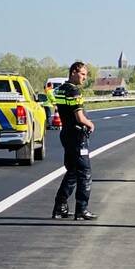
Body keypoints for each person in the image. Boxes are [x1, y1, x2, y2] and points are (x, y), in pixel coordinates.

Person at [52, 62, 97, 220]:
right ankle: (81, 210)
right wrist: (90, 123)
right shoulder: (74, 91)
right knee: (85, 173)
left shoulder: (61, 90)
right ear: (73, 72)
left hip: (66, 133)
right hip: (77, 136)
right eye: (82, 74)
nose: (84, 78)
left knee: (72, 171)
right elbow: (79, 117)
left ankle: (60, 207)